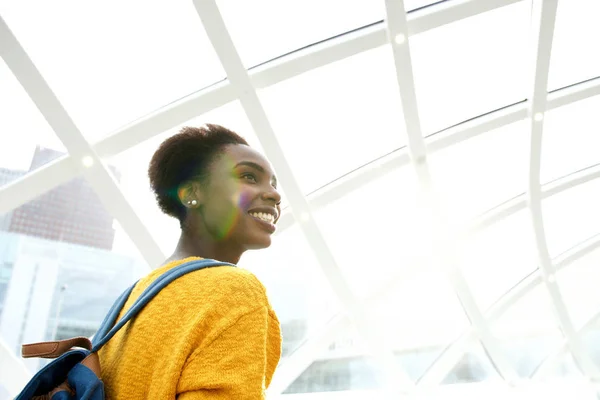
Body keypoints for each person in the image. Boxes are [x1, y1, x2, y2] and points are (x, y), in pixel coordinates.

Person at [99, 124, 282, 399]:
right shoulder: (234, 290)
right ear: (191, 194)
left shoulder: (135, 297)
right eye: (249, 177)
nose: (275, 195)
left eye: (273, 184)